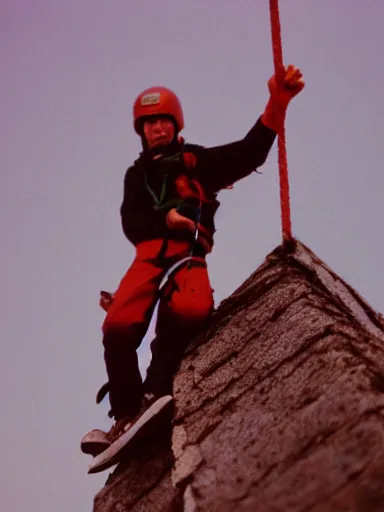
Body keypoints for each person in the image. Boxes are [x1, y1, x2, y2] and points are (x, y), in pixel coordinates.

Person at [81, 65, 305, 456]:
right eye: (148, 124)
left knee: (190, 306)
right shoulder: (137, 176)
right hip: (148, 255)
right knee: (117, 322)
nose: (156, 129)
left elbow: (247, 152)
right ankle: (124, 414)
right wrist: (163, 218)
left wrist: (276, 102)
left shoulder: (196, 162)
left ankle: (155, 392)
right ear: (141, 131)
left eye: (162, 121)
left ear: (175, 124)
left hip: (187, 254)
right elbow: (131, 222)